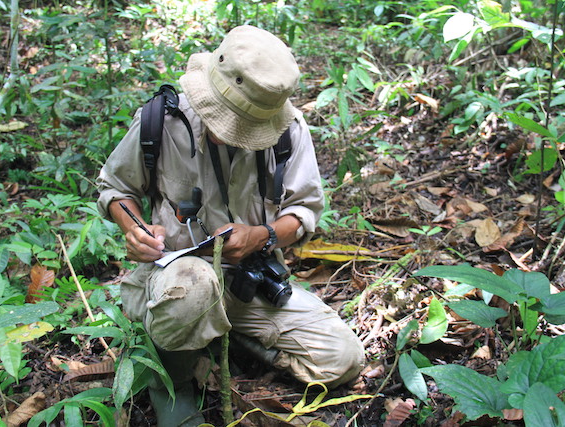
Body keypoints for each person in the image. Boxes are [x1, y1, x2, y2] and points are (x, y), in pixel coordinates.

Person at [97, 25, 365, 426]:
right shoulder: (161, 121)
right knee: (194, 290)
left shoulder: (288, 131)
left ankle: (223, 336)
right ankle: (173, 380)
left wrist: (264, 235)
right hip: (175, 280)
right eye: (219, 118)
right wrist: (134, 227)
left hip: (248, 280)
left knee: (342, 359)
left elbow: (304, 211)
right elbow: (115, 187)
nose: (226, 132)